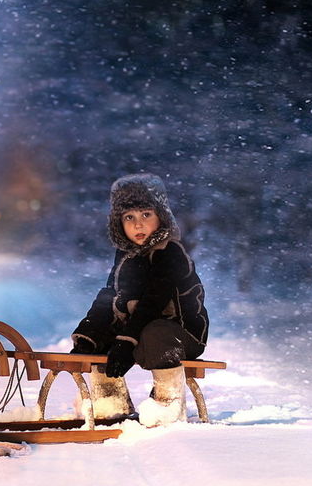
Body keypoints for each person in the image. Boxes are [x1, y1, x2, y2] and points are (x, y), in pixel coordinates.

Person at [70, 173, 208, 427]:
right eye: (129, 218)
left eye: (146, 215)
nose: (138, 225)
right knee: (101, 334)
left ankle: (167, 403)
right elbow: (110, 296)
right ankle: (110, 402)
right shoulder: (125, 256)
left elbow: (154, 302)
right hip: (141, 331)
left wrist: (126, 341)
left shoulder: (170, 252)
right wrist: (89, 335)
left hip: (180, 334)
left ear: (161, 217)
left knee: (155, 332)